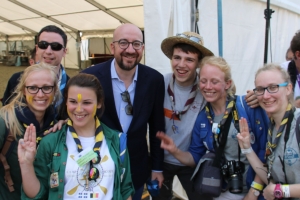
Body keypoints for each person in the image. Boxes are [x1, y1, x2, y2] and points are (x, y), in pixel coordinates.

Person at [157, 56, 268, 200]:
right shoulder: (202, 118)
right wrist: (174, 150)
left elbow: (266, 152)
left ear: (227, 84)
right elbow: (194, 157)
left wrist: (254, 192)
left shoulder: (248, 107)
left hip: (255, 191)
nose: (208, 87)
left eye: (214, 82)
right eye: (203, 81)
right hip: (223, 191)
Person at [82, 23, 165, 199]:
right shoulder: (90, 77)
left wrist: (157, 167)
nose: (130, 49)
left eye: (136, 44)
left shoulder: (154, 80)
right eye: (123, 43)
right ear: (112, 47)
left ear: (142, 48)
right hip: (96, 167)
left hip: (135, 170)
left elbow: (157, 126)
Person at [19, 73, 134, 200]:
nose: (79, 109)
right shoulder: (50, 142)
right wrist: (26, 164)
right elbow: (37, 195)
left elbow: (125, 189)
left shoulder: (117, 140)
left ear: (99, 103)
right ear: (66, 102)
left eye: (87, 102)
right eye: (73, 101)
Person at [153, 31, 212, 200]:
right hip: (161, 162)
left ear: (199, 63)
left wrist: (253, 97)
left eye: (189, 60)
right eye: (177, 58)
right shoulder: (160, 83)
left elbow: (228, 94)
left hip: (192, 162)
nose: (181, 64)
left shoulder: (206, 87)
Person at [237, 63, 300, 200]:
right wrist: (247, 149)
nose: (266, 96)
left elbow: (277, 189)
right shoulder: (273, 129)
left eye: (273, 88)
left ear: (288, 89)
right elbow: (271, 179)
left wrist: (282, 191)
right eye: (260, 89)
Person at [0, 62, 59, 200]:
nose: (40, 94)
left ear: (54, 90)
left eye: (46, 88)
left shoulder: (55, 125)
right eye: (32, 88)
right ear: (23, 90)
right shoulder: (5, 122)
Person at [1, 25, 70, 106]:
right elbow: (6, 114)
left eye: (55, 46)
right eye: (43, 45)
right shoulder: (17, 79)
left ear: (64, 52)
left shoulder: (71, 85)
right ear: (37, 49)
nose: (48, 51)